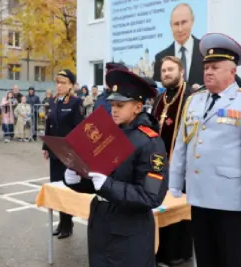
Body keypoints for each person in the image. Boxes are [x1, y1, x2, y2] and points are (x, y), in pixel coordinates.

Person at [169, 33, 241, 267]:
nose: (208, 72)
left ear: (232, 72)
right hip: (198, 196)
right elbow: (182, 144)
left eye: (215, 67)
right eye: (206, 67)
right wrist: (174, 181)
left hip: (231, 199)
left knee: (232, 259)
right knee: (205, 257)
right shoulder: (194, 101)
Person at [64, 68, 169, 267]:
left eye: (120, 105)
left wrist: (107, 185)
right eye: (112, 104)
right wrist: (77, 180)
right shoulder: (108, 134)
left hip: (129, 231)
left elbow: (151, 196)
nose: (114, 110)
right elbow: (99, 179)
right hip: (101, 223)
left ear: (138, 107)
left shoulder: (150, 142)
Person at [151, 56, 193, 266]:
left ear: (181, 72)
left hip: (182, 165)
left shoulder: (190, 97)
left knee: (179, 208)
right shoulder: (160, 98)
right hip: (159, 164)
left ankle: (180, 252)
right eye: (164, 70)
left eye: (170, 70)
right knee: (161, 206)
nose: (166, 73)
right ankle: (162, 249)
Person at [42, 69, 84, 239]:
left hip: (68, 153)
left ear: (71, 86)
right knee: (57, 187)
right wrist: (45, 146)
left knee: (67, 188)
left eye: (63, 83)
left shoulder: (75, 102)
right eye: (58, 82)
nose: (59, 86)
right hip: (54, 150)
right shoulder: (52, 101)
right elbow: (49, 125)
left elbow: (79, 129)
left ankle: (68, 224)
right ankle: (61, 222)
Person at [153, 3, 204, 87]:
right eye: (176, 24)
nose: (180, 29)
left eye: (184, 22)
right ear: (171, 25)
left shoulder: (205, 50)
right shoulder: (160, 58)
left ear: (192, 21)